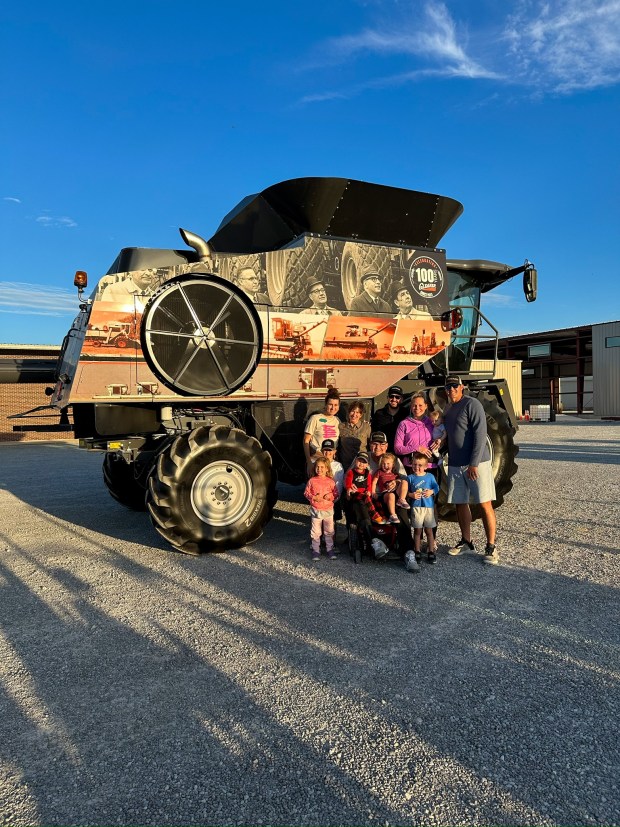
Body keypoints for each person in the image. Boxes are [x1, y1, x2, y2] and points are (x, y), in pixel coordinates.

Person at [443, 375, 498, 564]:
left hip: (476, 464)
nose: (451, 390)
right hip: (456, 464)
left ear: (462, 387)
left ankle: (491, 547)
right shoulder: (448, 407)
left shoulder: (472, 404)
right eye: (448, 387)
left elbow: (481, 434)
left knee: (484, 502)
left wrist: (474, 463)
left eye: (454, 386)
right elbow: (448, 432)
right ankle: (466, 541)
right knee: (460, 502)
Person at [366, 432, 413, 558]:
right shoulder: (364, 458)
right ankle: (375, 542)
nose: (377, 447)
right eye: (374, 444)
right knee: (363, 508)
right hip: (373, 495)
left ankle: (408, 551)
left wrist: (396, 481)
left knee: (401, 511)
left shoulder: (394, 460)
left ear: (386, 446)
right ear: (370, 445)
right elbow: (350, 474)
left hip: (392, 494)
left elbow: (404, 477)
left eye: (381, 444)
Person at [343, 452, 385, 555]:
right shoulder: (351, 472)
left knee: (371, 503)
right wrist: (349, 489)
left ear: (367, 464)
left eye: (364, 462)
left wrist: (369, 491)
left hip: (365, 496)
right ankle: (373, 541)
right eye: (359, 461)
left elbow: (369, 485)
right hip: (355, 495)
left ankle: (376, 536)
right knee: (361, 504)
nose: (361, 464)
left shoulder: (368, 474)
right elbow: (348, 483)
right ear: (355, 461)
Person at [404, 452, 440, 571]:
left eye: (420, 465)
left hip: (428, 507)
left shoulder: (430, 476)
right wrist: (411, 495)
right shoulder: (410, 478)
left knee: (429, 530)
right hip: (416, 507)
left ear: (426, 466)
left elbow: (436, 487)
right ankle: (417, 550)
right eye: (414, 464)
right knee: (417, 530)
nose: (416, 467)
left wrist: (431, 492)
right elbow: (405, 492)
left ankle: (431, 550)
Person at [394, 393, 439, 479]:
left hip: (430, 467)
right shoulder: (404, 424)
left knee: (431, 492)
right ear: (411, 407)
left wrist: (439, 441)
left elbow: (442, 434)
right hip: (412, 467)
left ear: (426, 406)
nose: (417, 408)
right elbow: (397, 449)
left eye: (420, 405)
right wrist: (416, 447)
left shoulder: (432, 423)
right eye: (414, 405)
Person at [304, 457, 339, 561]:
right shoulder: (312, 481)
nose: (320, 469)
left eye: (322, 467)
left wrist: (330, 496)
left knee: (329, 531)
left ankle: (330, 549)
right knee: (316, 531)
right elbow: (306, 493)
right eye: (317, 467)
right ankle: (316, 550)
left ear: (327, 468)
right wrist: (313, 497)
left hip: (328, 510)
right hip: (316, 510)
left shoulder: (331, 481)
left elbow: (336, 494)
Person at [303, 389, 341, 477]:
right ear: (325, 404)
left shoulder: (337, 421)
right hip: (317, 458)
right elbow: (306, 441)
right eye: (330, 404)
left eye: (336, 405)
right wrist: (309, 462)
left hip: (331, 459)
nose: (333, 408)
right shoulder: (315, 418)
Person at [371, 452, 407, 524]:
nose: (385, 465)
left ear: (393, 464)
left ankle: (402, 499)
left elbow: (401, 481)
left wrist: (397, 481)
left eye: (388, 464)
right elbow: (374, 482)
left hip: (396, 492)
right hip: (386, 493)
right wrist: (373, 492)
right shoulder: (379, 472)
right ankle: (393, 515)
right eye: (383, 464)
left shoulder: (395, 473)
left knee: (404, 482)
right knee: (391, 495)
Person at [371, 385, 407, 451]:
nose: (394, 399)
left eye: (397, 397)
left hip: (401, 450)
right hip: (383, 451)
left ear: (401, 399)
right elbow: (373, 433)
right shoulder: (379, 413)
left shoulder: (406, 413)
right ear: (387, 397)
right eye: (391, 396)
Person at [338, 400, 371, 470]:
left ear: (361, 415)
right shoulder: (341, 426)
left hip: (361, 465)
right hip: (345, 465)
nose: (354, 414)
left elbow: (369, 446)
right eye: (352, 411)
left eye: (357, 412)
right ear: (349, 412)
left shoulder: (366, 427)